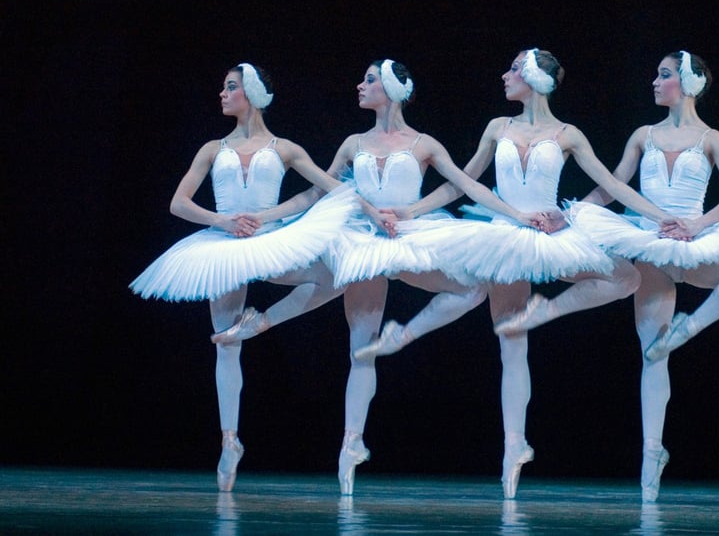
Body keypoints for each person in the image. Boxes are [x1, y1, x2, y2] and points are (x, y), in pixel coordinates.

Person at [212, 59, 551, 495]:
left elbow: (465, 186)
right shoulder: (354, 143)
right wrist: (268, 216)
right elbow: (317, 191)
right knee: (360, 349)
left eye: (369, 80)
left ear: (389, 89)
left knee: (470, 289)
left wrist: (514, 213)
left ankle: (405, 334)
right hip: (362, 243)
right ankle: (351, 443)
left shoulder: (424, 143)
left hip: (410, 239)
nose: (360, 85)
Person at [380, 48, 685, 499]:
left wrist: (654, 215)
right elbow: (463, 182)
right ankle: (514, 447)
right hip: (504, 237)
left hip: (549, 233)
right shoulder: (496, 127)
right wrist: (409, 211)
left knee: (625, 277)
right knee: (510, 344)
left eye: (513, 68)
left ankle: (548, 311)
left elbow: (613, 183)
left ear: (534, 77)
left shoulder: (567, 134)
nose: (504, 75)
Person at [570, 50, 719, 502]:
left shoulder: (712, 139)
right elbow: (613, 184)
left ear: (687, 83)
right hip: (649, 244)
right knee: (651, 355)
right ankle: (652, 455)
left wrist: (699, 225)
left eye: (663, 75)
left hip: (692, 241)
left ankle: (690, 328)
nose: (654, 82)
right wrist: (573, 214)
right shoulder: (643, 134)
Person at [130, 63, 357, 492]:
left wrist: (269, 216)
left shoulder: (285, 148)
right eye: (223, 87)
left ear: (250, 94)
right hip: (223, 245)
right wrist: (223, 220)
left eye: (230, 87)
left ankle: (264, 321)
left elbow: (325, 188)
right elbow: (178, 203)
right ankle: (229, 440)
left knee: (337, 277)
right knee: (225, 343)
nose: (222, 93)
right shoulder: (212, 148)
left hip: (271, 240)